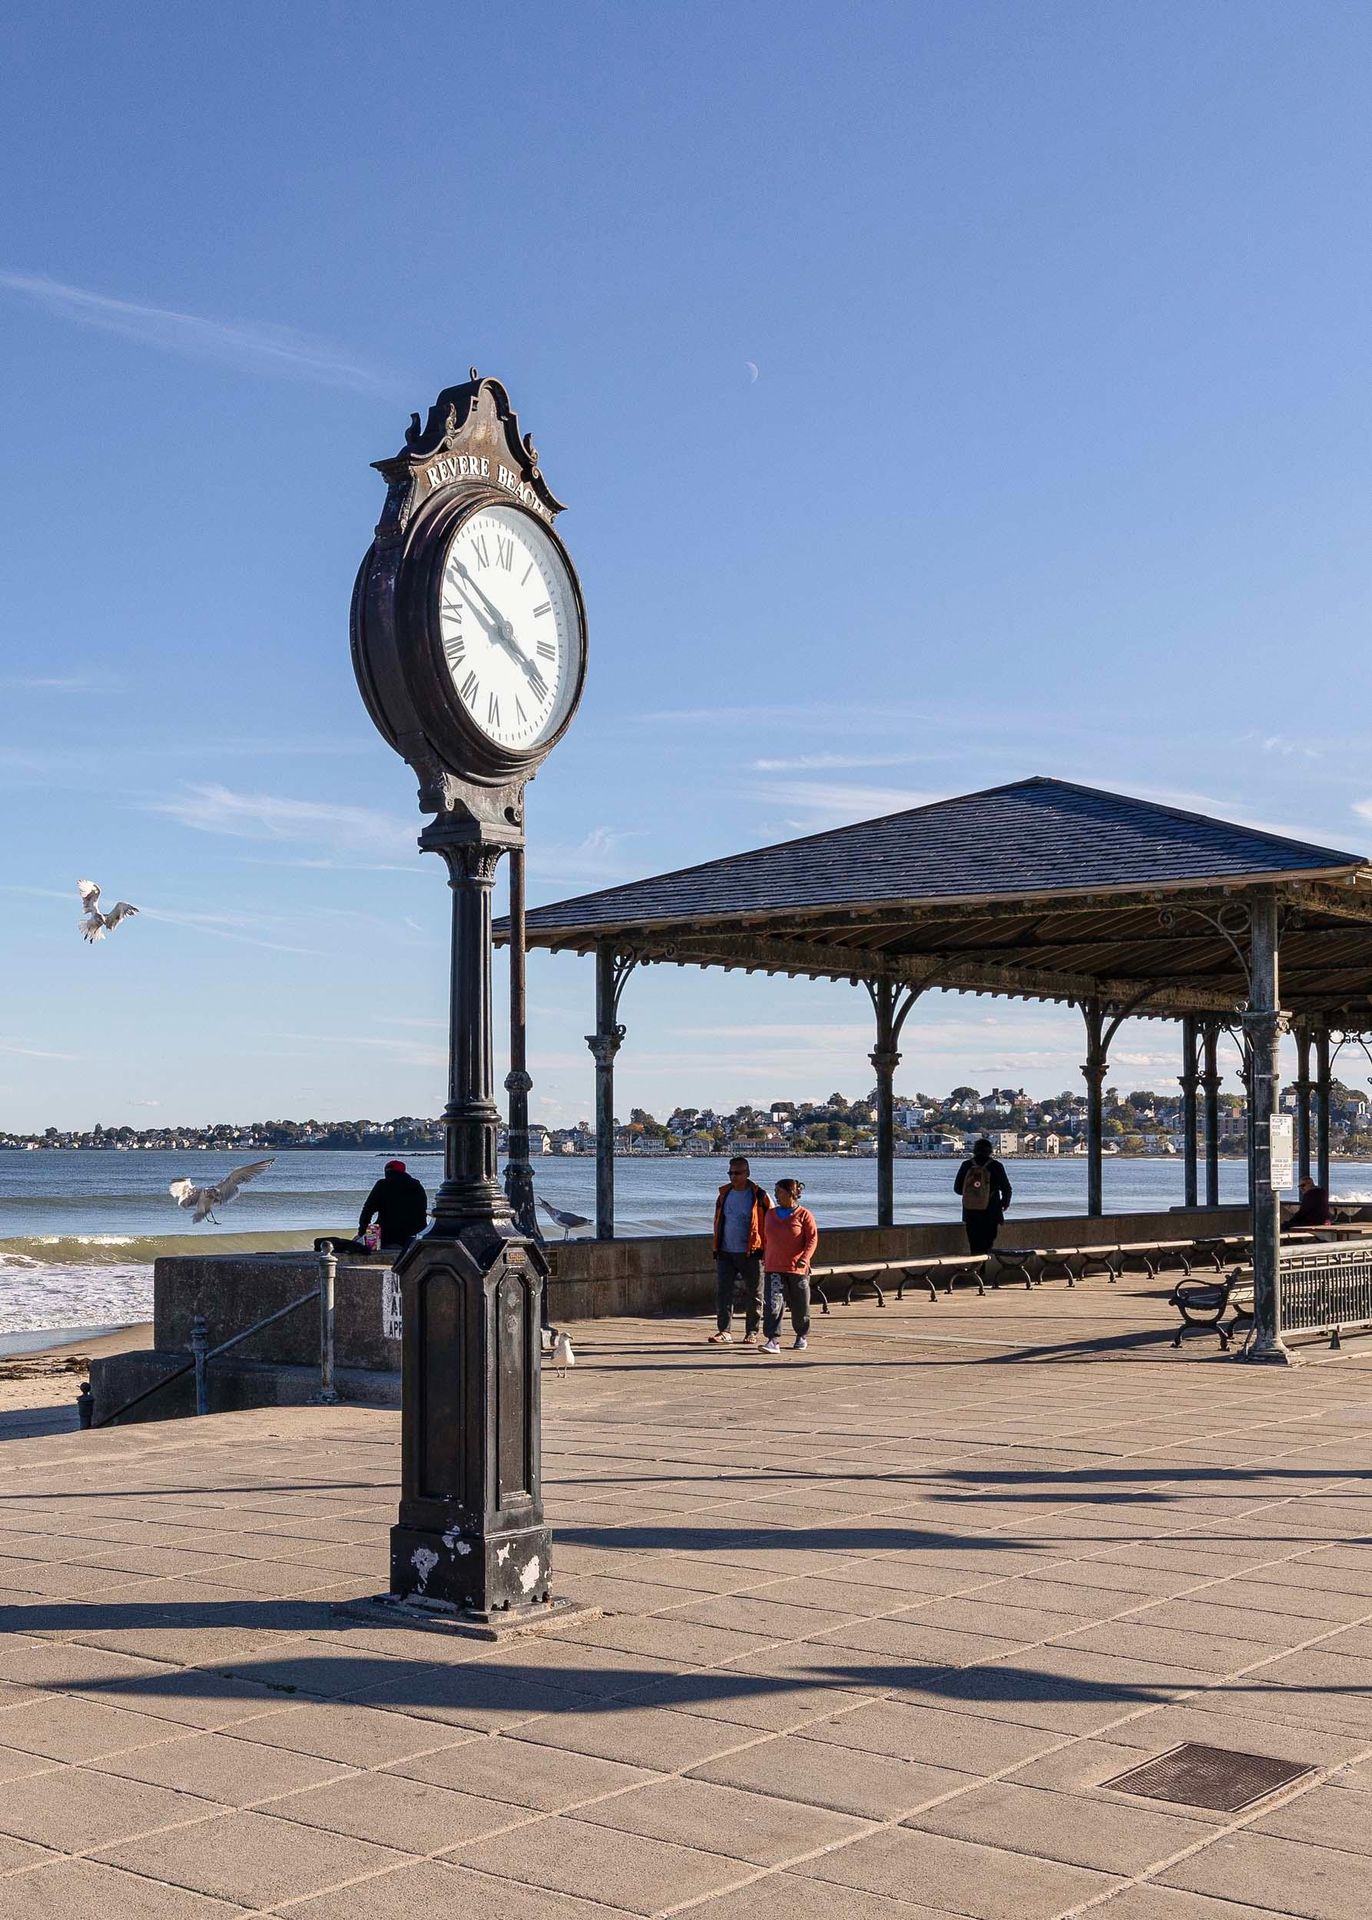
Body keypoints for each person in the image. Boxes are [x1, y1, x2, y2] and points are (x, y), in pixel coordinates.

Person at [709, 1156, 771, 1345]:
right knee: (724, 1292)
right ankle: (724, 1331)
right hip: (725, 1251)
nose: (733, 1177)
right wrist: (716, 1247)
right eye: (730, 1173)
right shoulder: (724, 1194)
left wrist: (767, 1250)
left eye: (737, 1173)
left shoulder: (759, 1195)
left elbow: (771, 1223)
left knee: (754, 1293)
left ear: (747, 1173)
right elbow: (718, 1220)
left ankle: (752, 1331)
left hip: (752, 1252)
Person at [761, 1177, 818, 1354]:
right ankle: (772, 1339)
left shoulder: (804, 1214)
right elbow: (766, 1239)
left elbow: (812, 1239)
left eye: (779, 1191)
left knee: (800, 1304)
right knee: (773, 1304)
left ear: (790, 1193)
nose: (776, 1195)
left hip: (797, 1269)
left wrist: (805, 1258)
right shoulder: (770, 1214)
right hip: (774, 1267)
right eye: (775, 1191)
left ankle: (801, 1335)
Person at [954, 1137, 1012, 1256]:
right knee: (987, 1246)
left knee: (974, 1246)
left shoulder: (966, 1165)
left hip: (971, 1213)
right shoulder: (996, 1166)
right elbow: (1007, 1189)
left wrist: (973, 1193)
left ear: (974, 1150)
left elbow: (957, 1189)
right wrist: (1003, 1204)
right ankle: (982, 1271)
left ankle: (975, 1272)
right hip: (991, 1213)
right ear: (990, 1151)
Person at [358, 1159, 429, 1251]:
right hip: (414, 1235)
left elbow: (367, 1210)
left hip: (388, 1236)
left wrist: (362, 1232)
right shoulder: (417, 1186)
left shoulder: (383, 1184)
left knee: (357, 1243)